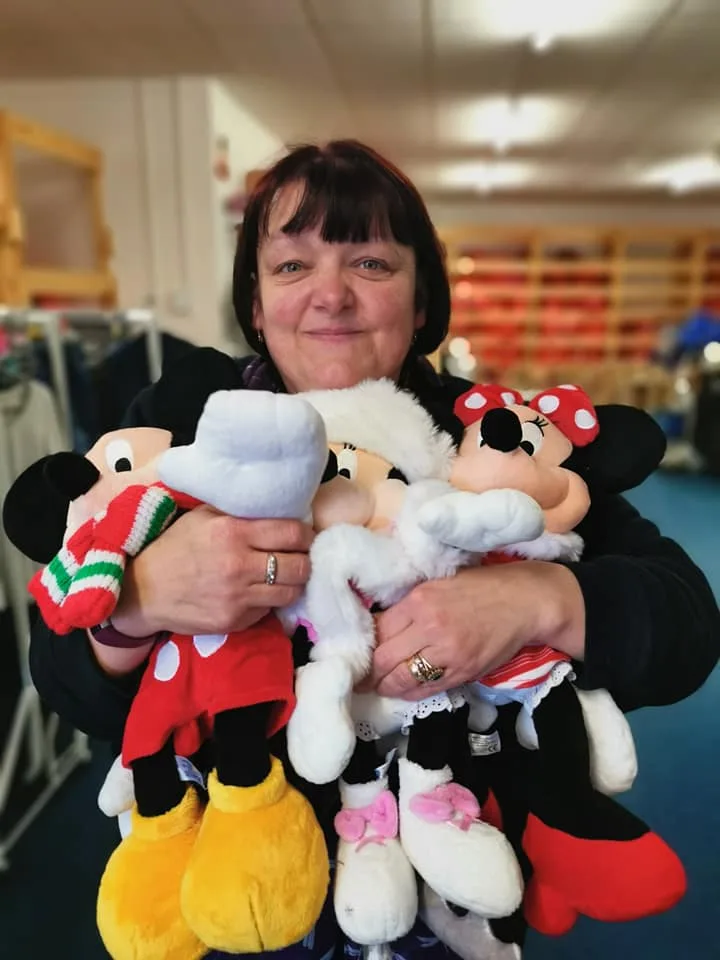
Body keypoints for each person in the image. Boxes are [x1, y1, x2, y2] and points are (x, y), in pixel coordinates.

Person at [29, 140, 720, 959]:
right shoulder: (181, 428)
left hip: (456, 872)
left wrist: (537, 599)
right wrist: (138, 601)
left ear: (422, 301)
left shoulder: (493, 434)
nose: (330, 295)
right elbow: (64, 678)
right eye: (291, 266)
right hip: (236, 880)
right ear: (256, 303)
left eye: (370, 262)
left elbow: (685, 622)